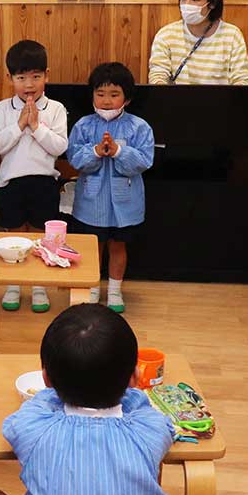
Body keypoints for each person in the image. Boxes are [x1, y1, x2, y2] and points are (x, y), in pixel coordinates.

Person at [0, 304, 178, 495]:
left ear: (46, 378)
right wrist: (127, 388)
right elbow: (154, 415)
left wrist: (55, 389)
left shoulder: (36, 428)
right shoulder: (147, 430)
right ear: (135, 376)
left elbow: (15, 423)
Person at [0, 40, 68, 313]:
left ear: (47, 74)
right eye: (21, 78)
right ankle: (13, 285)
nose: (29, 84)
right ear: (10, 78)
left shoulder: (55, 108)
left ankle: (38, 287)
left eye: (36, 76)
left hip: (44, 182)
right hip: (12, 183)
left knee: (39, 239)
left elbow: (59, 147)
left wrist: (36, 127)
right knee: (14, 237)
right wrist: (20, 123)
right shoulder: (2, 109)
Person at [67, 63, 153, 313]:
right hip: (90, 201)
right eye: (100, 94)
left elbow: (144, 161)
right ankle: (92, 287)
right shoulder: (83, 125)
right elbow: (74, 158)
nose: (106, 101)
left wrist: (119, 151)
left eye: (114, 94)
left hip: (125, 201)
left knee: (118, 246)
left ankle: (115, 291)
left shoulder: (139, 126)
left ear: (127, 97)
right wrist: (95, 151)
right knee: (93, 246)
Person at [148, 0, 248, 85]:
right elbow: (157, 75)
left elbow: (242, 80)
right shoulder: (166, 34)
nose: (186, 4)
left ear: (212, 3)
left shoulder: (232, 35)